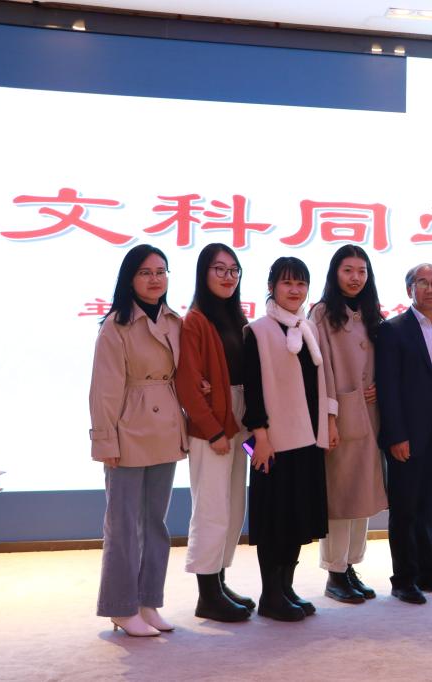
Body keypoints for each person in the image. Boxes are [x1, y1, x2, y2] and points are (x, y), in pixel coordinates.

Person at [89, 244, 187, 637]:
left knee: (155, 524)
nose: (155, 279)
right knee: (123, 525)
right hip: (128, 429)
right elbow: (104, 391)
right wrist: (105, 441)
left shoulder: (174, 321)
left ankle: (148, 602)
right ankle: (120, 607)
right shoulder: (116, 326)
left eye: (161, 271)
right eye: (145, 272)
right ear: (130, 279)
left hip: (166, 429)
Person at [243, 256, 332, 622]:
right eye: (287, 283)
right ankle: (270, 595)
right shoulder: (258, 330)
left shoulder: (306, 327)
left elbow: (317, 384)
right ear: (272, 287)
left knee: (297, 517)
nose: (295, 290)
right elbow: (251, 390)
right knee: (274, 520)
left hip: (307, 438)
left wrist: (327, 424)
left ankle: (286, 587)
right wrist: (260, 437)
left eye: (301, 283)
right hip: (274, 442)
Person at [376, 263, 432, 604]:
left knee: (429, 505)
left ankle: (429, 573)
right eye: (422, 282)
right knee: (405, 508)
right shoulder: (392, 330)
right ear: (409, 290)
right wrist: (396, 435)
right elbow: (388, 388)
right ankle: (403, 579)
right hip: (408, 432)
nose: (430, 288)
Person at [176, 243, 254, 622]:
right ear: (203, 273)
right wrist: (212, 431)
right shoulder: (193, 321)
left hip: (241, 419)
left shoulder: (239, 318)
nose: (228, 276)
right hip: (213, 423)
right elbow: (189, 384)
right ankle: (206, 595)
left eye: (233, 270)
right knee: (211, 507)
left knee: (235, 505)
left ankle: (219, 581)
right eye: (219, 269)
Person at [310, 245, 388, 604]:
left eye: (362, 271)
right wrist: (329, 418)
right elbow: (319, 370)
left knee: (363, 494)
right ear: (335, 274)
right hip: (340, 415)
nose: (355, 278)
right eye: (348, 270)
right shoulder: (322, 313)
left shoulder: (372, 313)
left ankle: (351, 565)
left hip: (371, 415)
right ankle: (334, 571)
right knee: (340, 495)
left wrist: (380, 385)